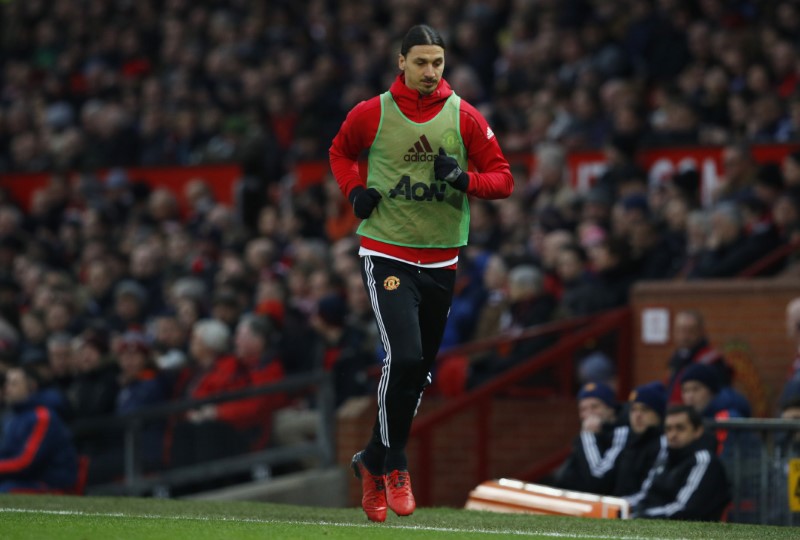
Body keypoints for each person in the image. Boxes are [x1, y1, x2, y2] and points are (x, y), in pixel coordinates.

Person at [329, 24, 513, 522]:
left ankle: (370, 461)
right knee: (404, 355)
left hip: (441, 257)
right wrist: (354, 192)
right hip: (386, 251)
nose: (431, 72)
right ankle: (394, 461)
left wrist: (463, 179)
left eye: (438, 63)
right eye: (422, 63)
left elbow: (504, 179)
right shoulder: (372, 112)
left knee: (419, 371)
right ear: (401, 62)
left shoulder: (464, 115)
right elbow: (340, 152)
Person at [628, 405, 731, 521]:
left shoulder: (704, 461)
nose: (673, 435)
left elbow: (684, 509)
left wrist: (640, 516)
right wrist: (619, 505)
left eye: (680, 428)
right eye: (668, 429)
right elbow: (645, 495)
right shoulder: (665, 456)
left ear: (697, 431)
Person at [0, 366, 78, 493]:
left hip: (50, 482)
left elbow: (26, 462)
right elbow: (6, 453)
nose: (7, 389)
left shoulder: (42, 416)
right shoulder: (13, 418)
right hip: (26, 479)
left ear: (31, 387)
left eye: (14, 384)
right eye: (7, 383)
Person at [551, 381, 627, 495]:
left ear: (611, 409)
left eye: (595, 407)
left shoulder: (621, 433)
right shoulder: (583, 438)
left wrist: (589, 435)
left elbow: (597, 481)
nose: (589, 414)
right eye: (583, 409)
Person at [612, 381, 667, 498]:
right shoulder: (624, 439)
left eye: (645, 410)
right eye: (633, 410)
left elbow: (649, 492)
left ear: (659, 414)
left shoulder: (663, 443)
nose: (637, 415)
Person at [665, 310, 732, 405]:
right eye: (680, 330)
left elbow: (719, 395)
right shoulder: (676, 359)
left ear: (700, 331)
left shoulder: (712, 361)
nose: (684, 336)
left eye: (690, 331)